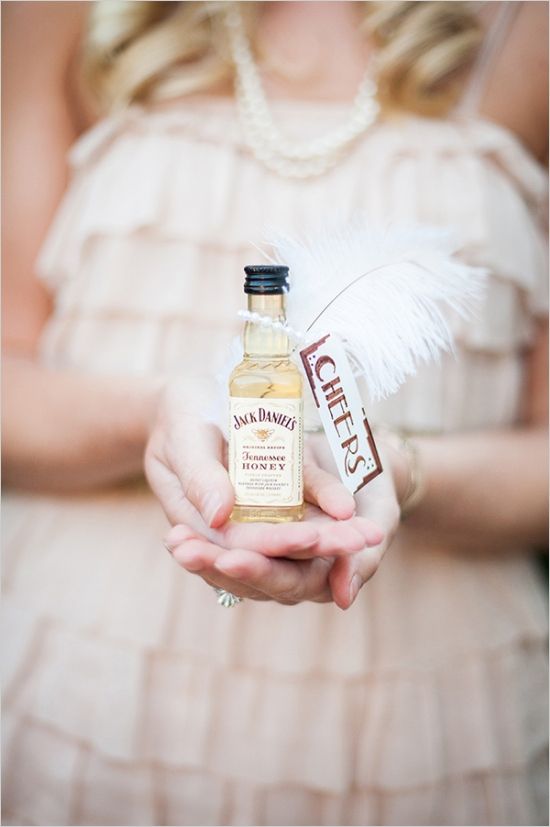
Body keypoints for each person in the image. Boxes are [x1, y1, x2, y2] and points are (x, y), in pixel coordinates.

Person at [2, 1, 548, 824]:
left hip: (421, 723)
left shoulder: (527, 26)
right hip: (95, 691)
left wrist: (390, 466)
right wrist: (155, 412)